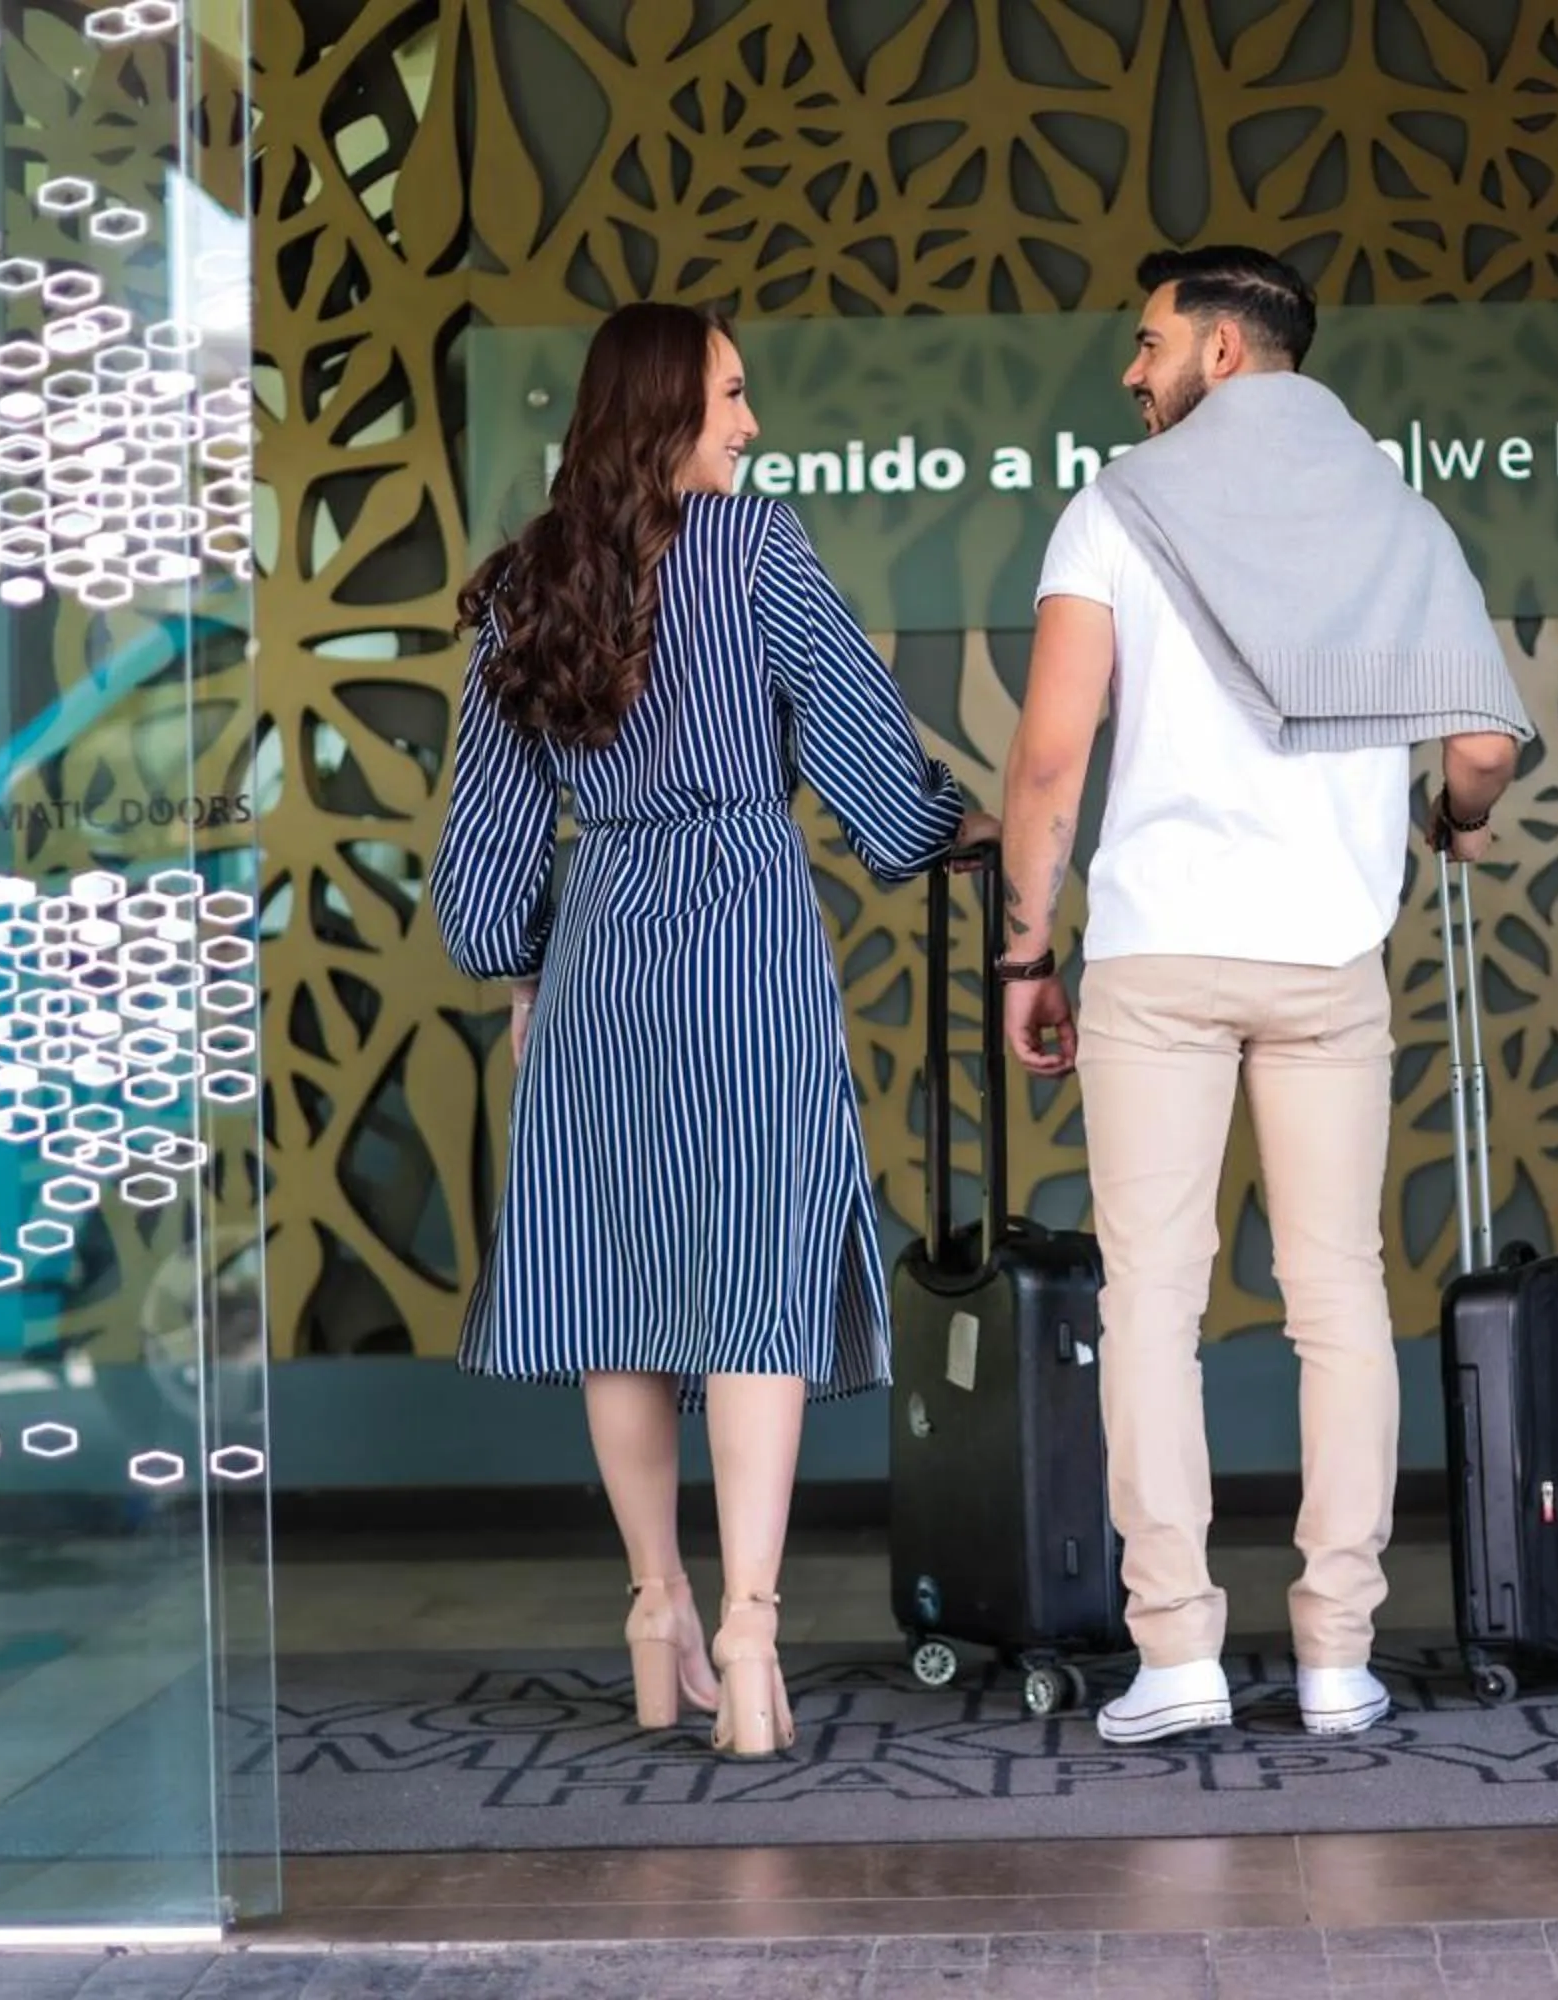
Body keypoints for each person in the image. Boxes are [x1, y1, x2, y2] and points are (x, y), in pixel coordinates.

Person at [430, 302, 993, 1760]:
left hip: (601, 949)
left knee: (620, 1287)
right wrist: (953, 828)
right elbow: (868, 754)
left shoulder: (525, 586)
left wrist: (520, 978)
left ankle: (652, 1604)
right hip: (743, 928)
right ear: (666, 410)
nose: (751, 425)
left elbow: (484, 853)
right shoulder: (756, 551)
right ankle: (748, 1627)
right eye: (732, 397)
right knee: (753, 1276)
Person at [994, 247, 1531, 1744]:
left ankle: (1175, 1660)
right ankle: (1339, 1656)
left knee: (1154, 1306)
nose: (1131, 368)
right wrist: (1451, 824)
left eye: (1148, 338)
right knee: (1339, 1301)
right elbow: (1483, 749)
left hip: (1160, 957)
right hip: (1326, 961)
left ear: (1222, 350)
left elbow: (1048, 765)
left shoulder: (1112, 508)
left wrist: (1026, 959)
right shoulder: (1401, 517)